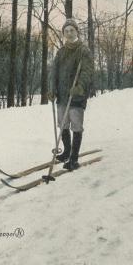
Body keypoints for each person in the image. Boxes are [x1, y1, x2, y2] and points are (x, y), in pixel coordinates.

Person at [48, 18, 94, 171]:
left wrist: (80, 87)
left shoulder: (83, 50)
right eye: (66, 31)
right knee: (62, 124)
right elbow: (54, 72)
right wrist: (52, 89)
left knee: (76, 126)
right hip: (61, 95)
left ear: (76, 31)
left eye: (71, 30)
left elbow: (87, 72)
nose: (68, 33)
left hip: (76, 96)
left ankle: (74, 159)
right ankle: (67, 152)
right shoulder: (61, 52)